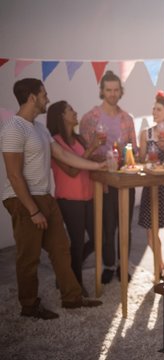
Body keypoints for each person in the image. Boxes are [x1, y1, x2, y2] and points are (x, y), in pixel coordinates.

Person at [1, 78, 103, 320]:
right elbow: (14, 175)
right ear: (33, 97)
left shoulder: (40, 128)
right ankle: (29, 305)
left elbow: (65, 156)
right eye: (44, 94)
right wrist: (33, 210)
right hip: (23, 199)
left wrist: (98, 164)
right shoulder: (13, 128)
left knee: (61, 249)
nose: (48, 98)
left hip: (46, 197)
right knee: (29, 256)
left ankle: (72, 298)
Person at [79, 70, 138, 284]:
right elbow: (82, 152)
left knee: (125, 226)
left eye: (116, 90)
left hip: (125, 180)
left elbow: (135, 151)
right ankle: (108, 265)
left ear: (121, 92)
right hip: (101, 182)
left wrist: (129, 154)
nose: (112, 94)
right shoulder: (90, 118)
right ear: (102, 92)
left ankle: (123, 266)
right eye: (108, 90)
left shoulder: (127, 119)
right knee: (106, 227)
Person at [46, 101, 102, 296]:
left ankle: (66, 272)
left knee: (97, 239)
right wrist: (91, 149)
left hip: (88, 197)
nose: (75, 111)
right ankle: (75, 285)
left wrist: (101, 156)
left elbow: (87, 162)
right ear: (61, 116)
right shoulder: (55, 142)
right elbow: (71, 170)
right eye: (70, 109)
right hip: (69, 200)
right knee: (77, 243)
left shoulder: (78, 139)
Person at [138, 91, 164, 280]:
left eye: (159, 109)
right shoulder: (146, 133)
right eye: (153, 109)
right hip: (151, 185)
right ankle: (159, 263)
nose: (154, 112)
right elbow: (140, 160)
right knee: (150, 231)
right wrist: (140, 156)